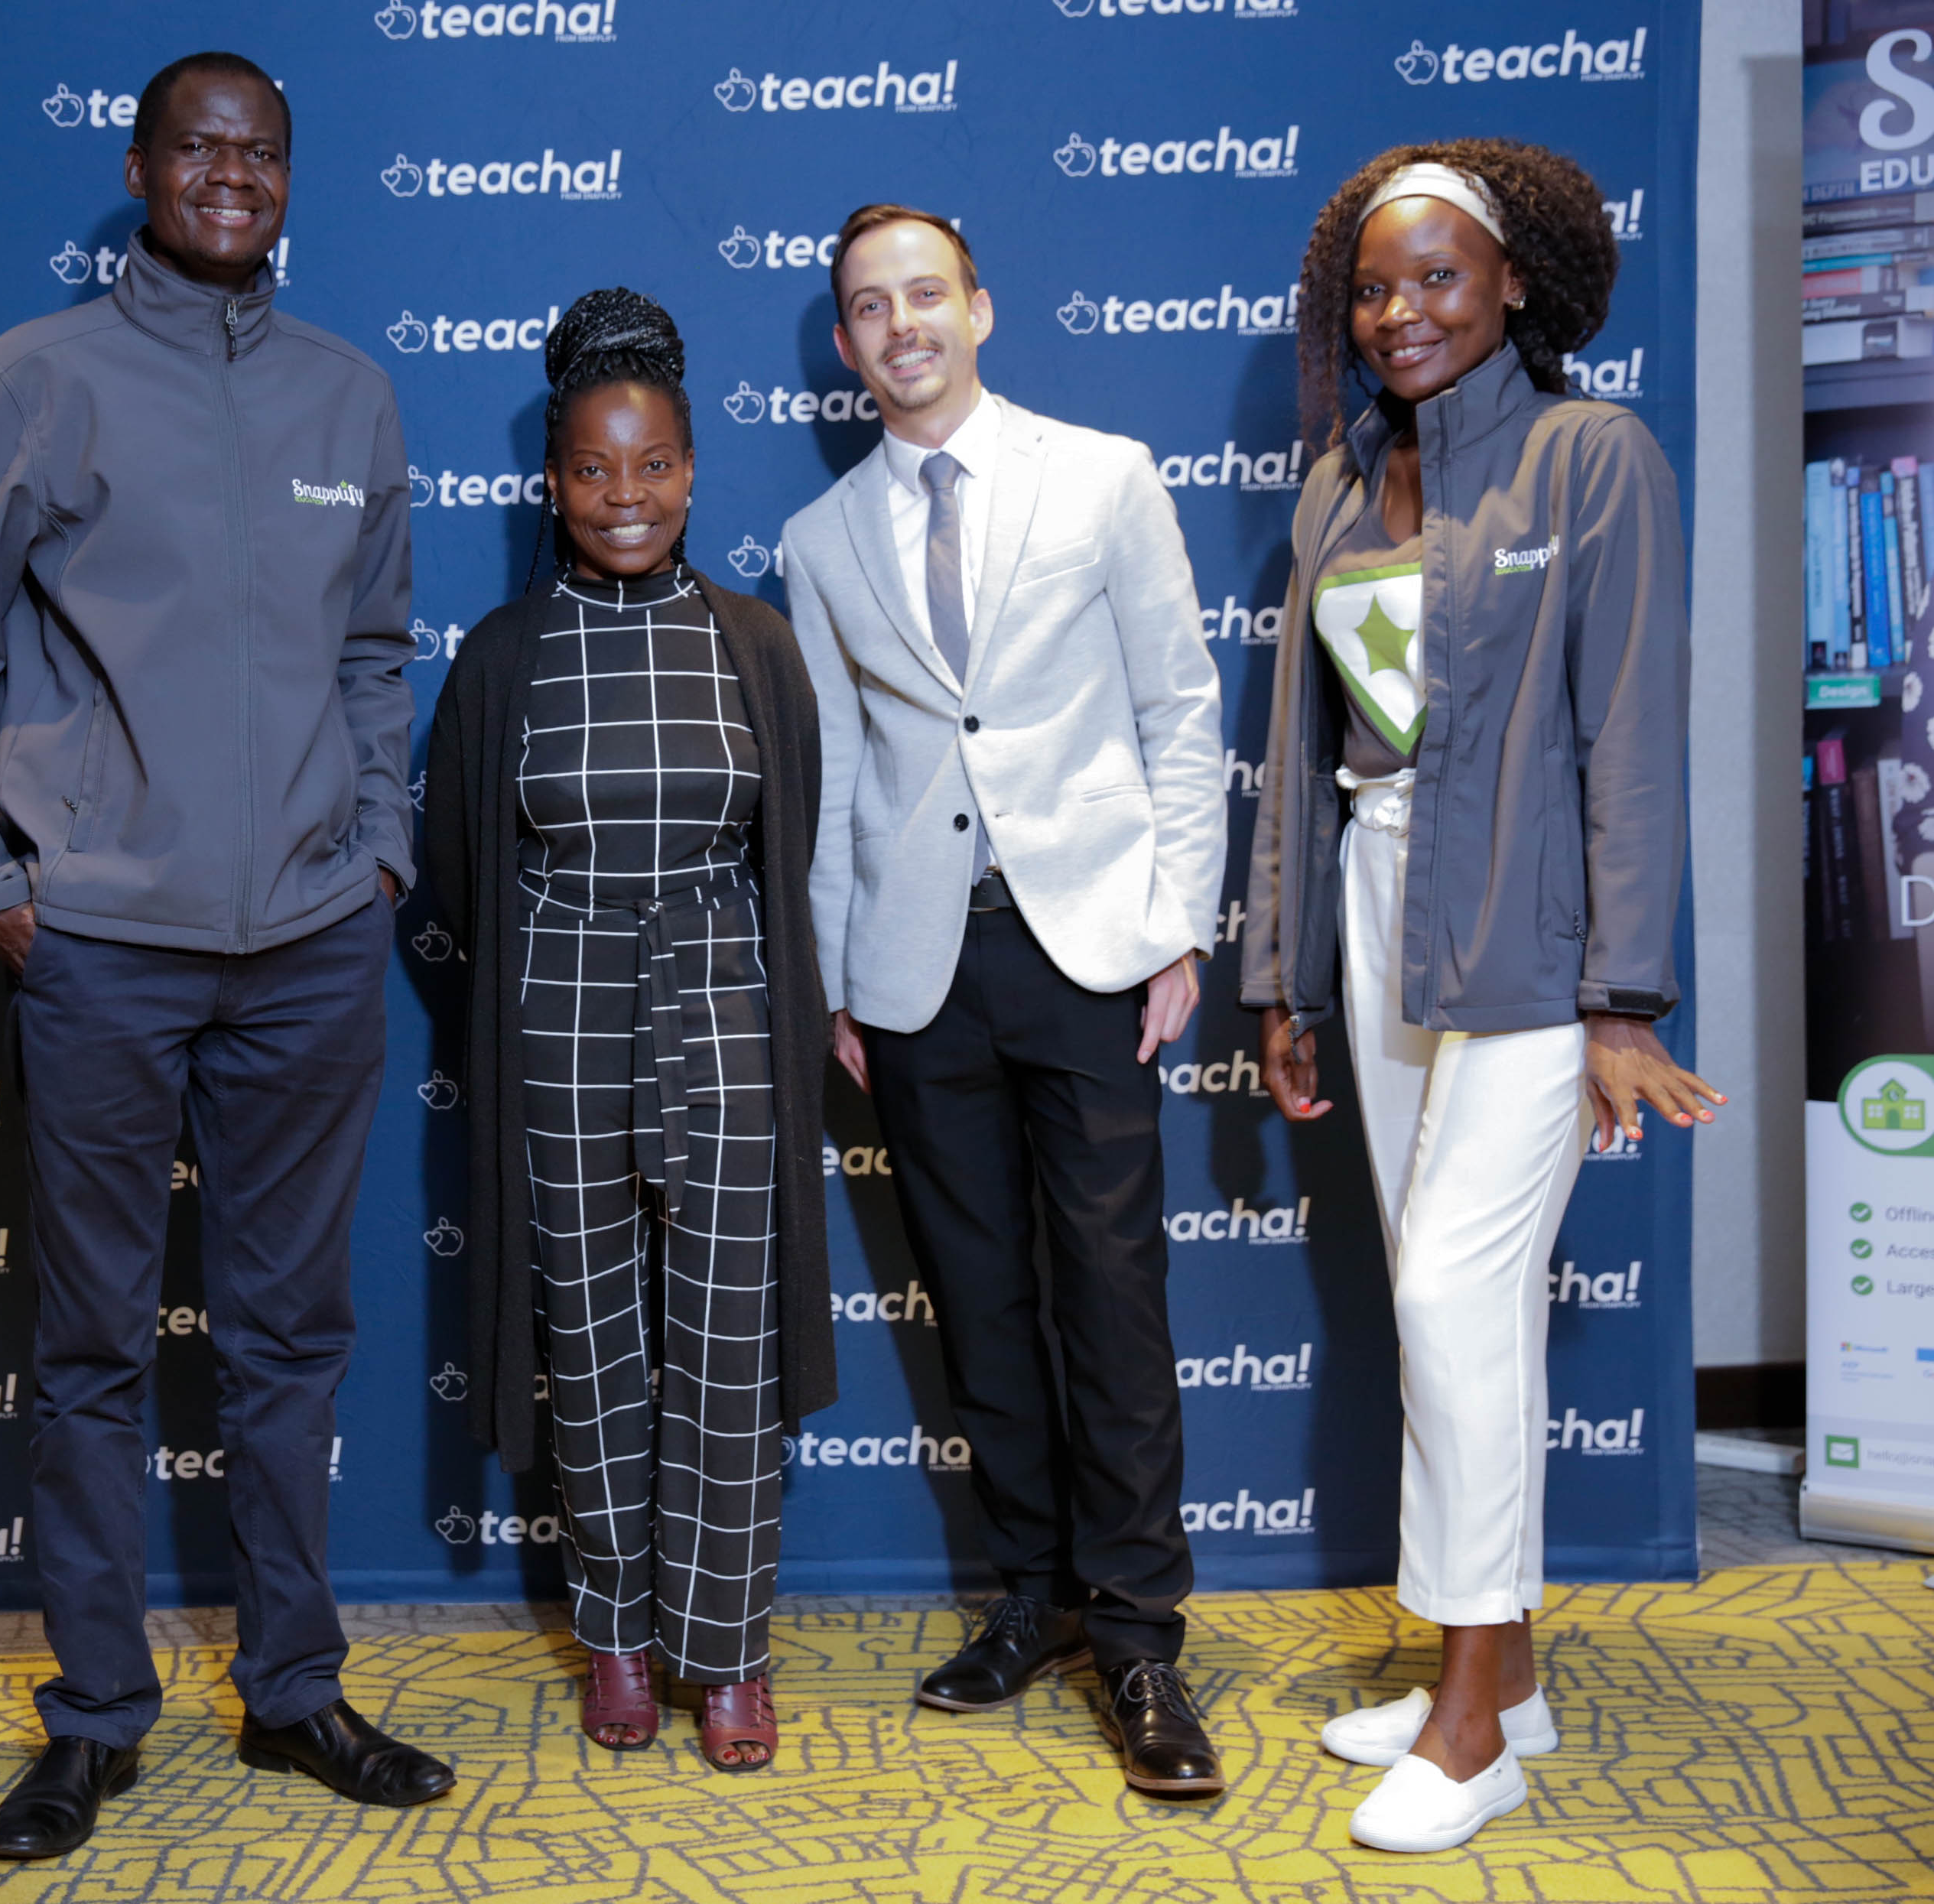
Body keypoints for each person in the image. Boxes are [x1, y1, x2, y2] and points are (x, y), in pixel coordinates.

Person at [0, 50, 448, 1845]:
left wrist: (376, 851)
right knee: (91, 1347)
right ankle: (94, 1713)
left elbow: (376, 658)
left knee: (290, 1341)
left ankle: (294, 1691)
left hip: (311, 942)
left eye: (259, 152)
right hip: (102, 943)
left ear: (287, 179)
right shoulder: (34, 380)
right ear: (138, 169)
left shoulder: (349, 394)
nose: (229, 175)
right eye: (198, 147)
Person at [1243, 140, 1717, 1854]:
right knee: (1451, 1306)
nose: (1401, 312)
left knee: (1451, 1291)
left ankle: (1470, 1726)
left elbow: (1632, 739)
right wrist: (1284, 974)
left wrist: (1623, 998)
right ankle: (1501, 1680)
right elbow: (1300, 750)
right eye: (1374, 286)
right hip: (1376, 914)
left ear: (1515, 282)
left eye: (1438, 276)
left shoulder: (1593, 457)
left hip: (1533, 934)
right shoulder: (1335, 484)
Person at [781, 204, 1230, 1796]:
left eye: (925, 294)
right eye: (868, 307)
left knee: (1110, 1299)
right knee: (976, 1303)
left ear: (978, 307)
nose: (900, 324)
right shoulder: (820, 538)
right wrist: (837, 978)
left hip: (1089, 945)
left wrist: (1179, 926)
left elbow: (1179, 704)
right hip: (917, 973)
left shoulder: (1101, 475)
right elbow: (832, 778)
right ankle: (1033, 1595)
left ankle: (1141, 1639)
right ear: (847, 345)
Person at [424, 291, 834, 1773]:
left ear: (690, 470)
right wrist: (546, 981)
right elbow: (456, 878)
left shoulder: (754, 644)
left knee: (724, 1344)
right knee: (590, 1341)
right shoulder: (502, 657)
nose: (623, 496)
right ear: (552, 482)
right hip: (559, 1016)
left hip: (724, 1013)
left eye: (651, 464)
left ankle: (724, 1651)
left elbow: (789, 856)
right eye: (593, 469)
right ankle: (614, 1630)